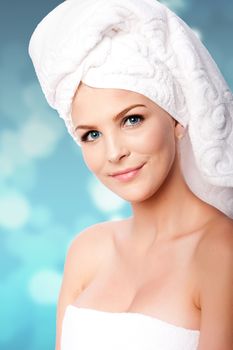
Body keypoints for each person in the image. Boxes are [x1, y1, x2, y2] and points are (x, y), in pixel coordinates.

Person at [28, 0, 233, 349]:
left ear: (177, 118)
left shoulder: (221, 254)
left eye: (131, 119)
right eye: (91, 134)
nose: (114, 153)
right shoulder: (86, 251)